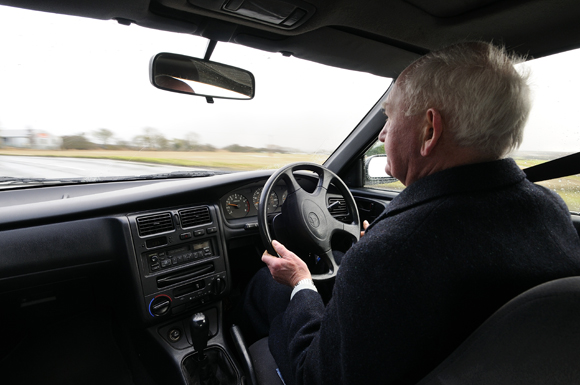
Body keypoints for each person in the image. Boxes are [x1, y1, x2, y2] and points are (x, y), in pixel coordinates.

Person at [239, 42, 580, 385]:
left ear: (429, 130)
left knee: (270, 287)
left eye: (389, 116)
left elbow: (314, 376)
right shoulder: (551, 209)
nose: (383, 133)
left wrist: (300, 282)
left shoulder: (392, 254)